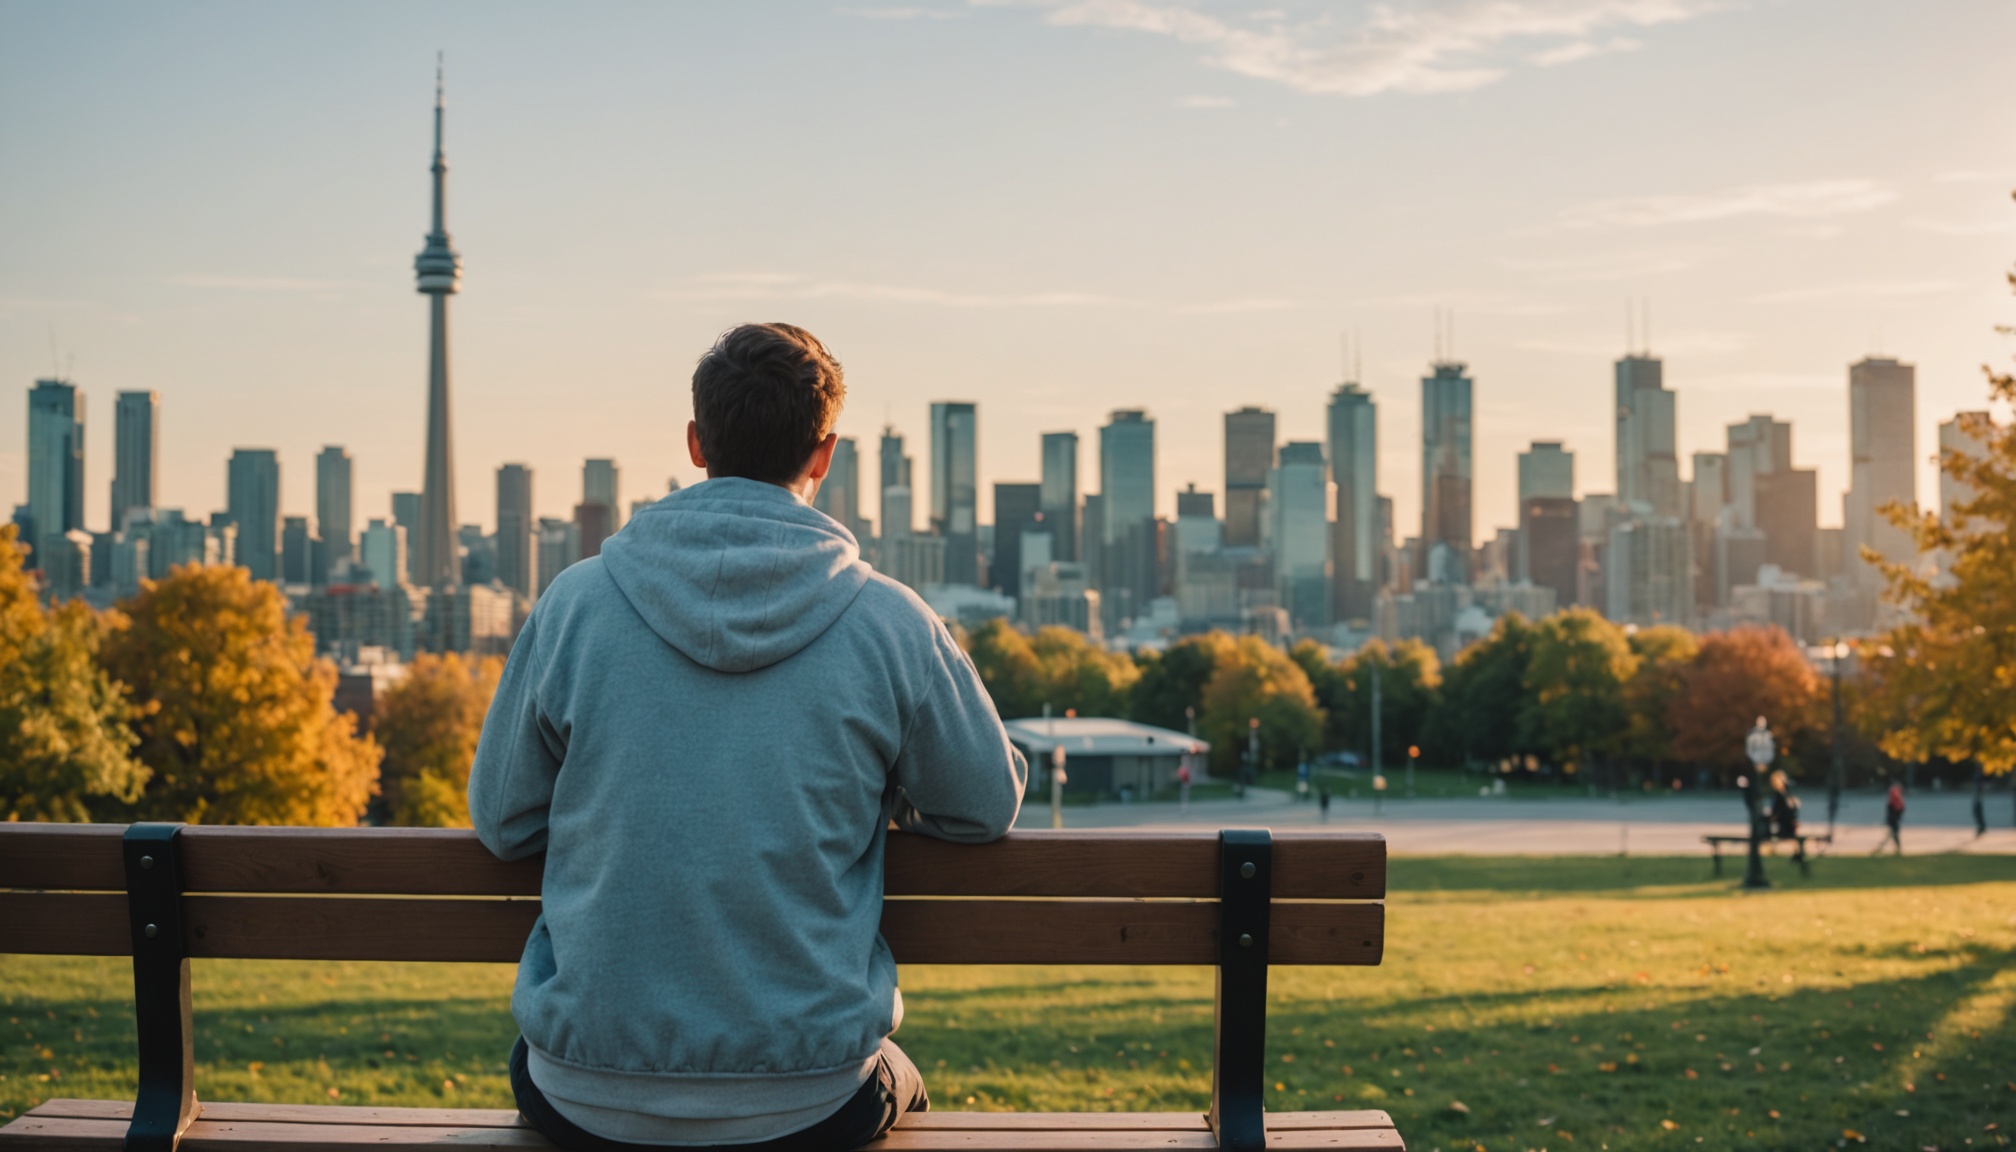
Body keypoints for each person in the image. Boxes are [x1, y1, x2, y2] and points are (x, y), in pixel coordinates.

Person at [469, 323, 1027, 1152]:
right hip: (808, 1100)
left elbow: (502, 819)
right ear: (823, 453)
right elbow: (984, 805)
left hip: (586, 1092)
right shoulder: (889, 622)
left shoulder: (575, 606)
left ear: (697, 442)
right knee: (900, 1084)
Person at [1768, 770, 1803, 864]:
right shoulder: (1783, 792)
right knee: (1792, 837)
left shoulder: (1781, 793)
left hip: (1785, 819)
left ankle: (1797, 854)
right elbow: (1784, 807)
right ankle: (1797, 854)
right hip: (1787, 819)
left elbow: (1777, 808)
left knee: (1790, 836)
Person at [1878, 781, 1906, 856]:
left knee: (1894, 832)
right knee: (1893, 832)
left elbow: (1895, 807)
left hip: (1893, 817)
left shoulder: (1894, 794)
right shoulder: (1896, 794)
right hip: (1895, 817)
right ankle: (1895, 846)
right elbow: (1901, 807)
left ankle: (1897, 847)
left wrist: (1893, 816)